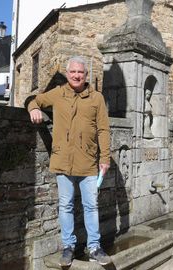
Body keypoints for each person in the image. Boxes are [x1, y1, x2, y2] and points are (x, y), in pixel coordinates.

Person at [27, 56, 111, 266]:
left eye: (80, 72)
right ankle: (68, 246)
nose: (76, 75)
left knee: (91, 206)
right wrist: (33, 108)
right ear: (67, 73)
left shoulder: (96, 98)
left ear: (86, 75)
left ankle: (94, 247)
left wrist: (105, 157)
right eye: (73, 72)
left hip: (89, 162)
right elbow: (33, 100)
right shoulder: (58, 93)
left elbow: (103, 129)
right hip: (62, 161)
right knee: (65, 206)